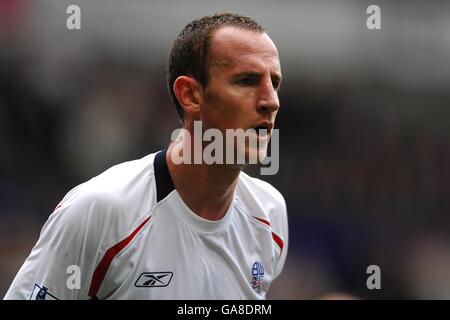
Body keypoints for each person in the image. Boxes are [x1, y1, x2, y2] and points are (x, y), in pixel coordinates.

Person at [4, 12, 288, 300]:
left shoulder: (270, 216)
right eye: (247, 81)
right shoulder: (101, 211)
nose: (271, 101)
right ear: (190, 95)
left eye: (274, 83)